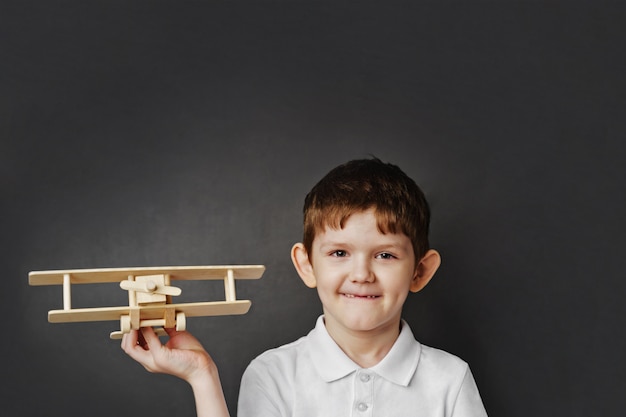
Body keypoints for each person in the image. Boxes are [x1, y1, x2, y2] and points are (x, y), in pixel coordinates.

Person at [122, 157, 488, 417]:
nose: (361, 274)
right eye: (340, 252)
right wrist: (202, 376)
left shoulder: (450, 379)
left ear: (420, 271)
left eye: (386, 256)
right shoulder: (274, 374)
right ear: (306, 264)